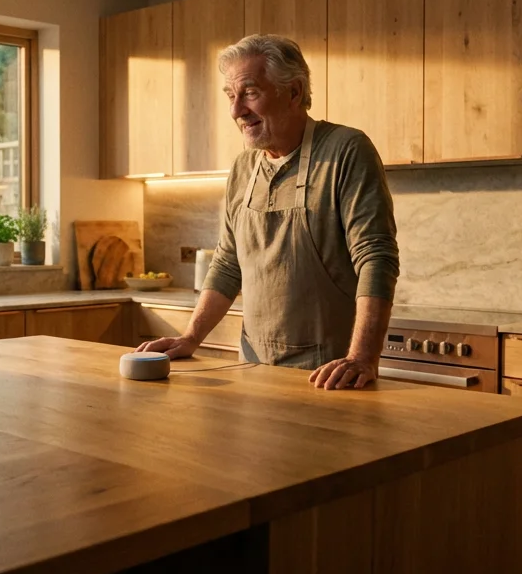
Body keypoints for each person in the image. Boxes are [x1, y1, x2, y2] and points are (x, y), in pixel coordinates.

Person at [136, 34, 399, 390]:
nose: (236, 111)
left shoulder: (346, 151)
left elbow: (376, 257)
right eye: (231, 96)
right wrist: (191, 337)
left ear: (293, 92)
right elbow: (228, 265)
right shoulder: (244, 168)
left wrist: (363, 358)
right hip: (254, 371)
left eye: (250, 93)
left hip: (329, 376)